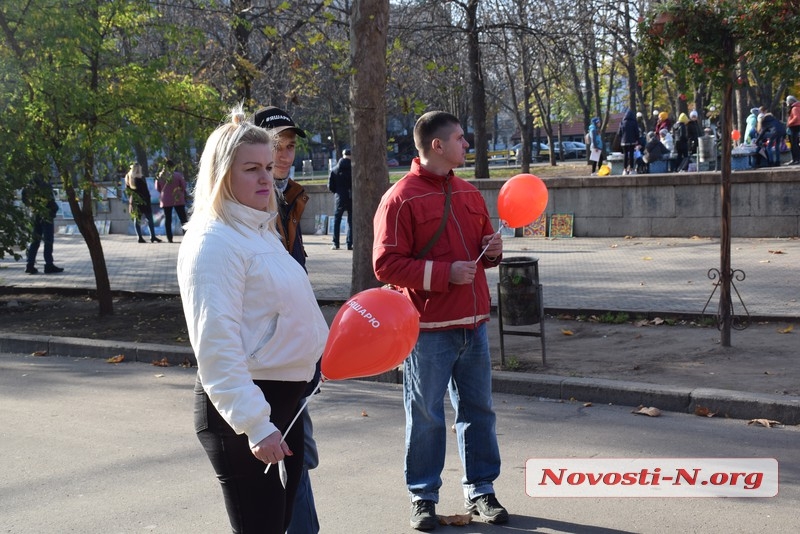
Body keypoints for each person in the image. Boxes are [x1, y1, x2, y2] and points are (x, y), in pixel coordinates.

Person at [177, 106, 329, 534]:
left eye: (268, 165)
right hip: (243, 412)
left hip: (283, 401)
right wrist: (255, 425)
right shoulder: (213, 241)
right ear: (222, 174)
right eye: (251, 169)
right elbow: (216, 346)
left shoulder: (258, 230)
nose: (266, 178)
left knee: (280, 523)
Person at [373, 111, 507, 531]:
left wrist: (494, 249)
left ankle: (481, 490)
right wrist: (442, 274)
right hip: (427, 329)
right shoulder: (399, 198)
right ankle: (423, 497)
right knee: (426, 414)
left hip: (474, 325)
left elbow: (486, 254)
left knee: (478, 411)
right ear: (437, 145)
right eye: (460, 139)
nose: (466, 144)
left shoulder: (469, 193)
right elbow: (385, 265)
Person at [254, 105, 321, 534]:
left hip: (291, 345)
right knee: (289, 452)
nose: (285, 154)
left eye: (290, 146)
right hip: (266, 351)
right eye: (277, 145)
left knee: (299, 452)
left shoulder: (290, 196)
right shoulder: (252, 200)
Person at [22, 175, 63, 274]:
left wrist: (33, 206)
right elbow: (49, 199)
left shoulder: (31, 181)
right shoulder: (43, 181)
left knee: (35, 240)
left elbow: (24, 197)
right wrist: (52, 209)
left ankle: (30, 265)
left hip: (36, 213)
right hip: (46, 214)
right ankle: (49, 265)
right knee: (48, 241)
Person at [125, 162, 161, 243]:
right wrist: (148, 199)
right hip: (144, 201)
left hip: (135, 201)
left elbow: (128, 191)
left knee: (137, 219)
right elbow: (145, 191)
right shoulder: (141, 177)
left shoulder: (128, 177)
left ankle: (140, 237)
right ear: (138, 169)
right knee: (149, 219)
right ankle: (152, 236)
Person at [155, 159, 188, 243]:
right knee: (183, 218)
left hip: (165, 199)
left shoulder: (160, 176)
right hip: (178, 199)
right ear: (173, 167)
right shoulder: (178, 175)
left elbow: (157, 188)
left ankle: (169, 238)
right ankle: (186, 236)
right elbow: (184, 186)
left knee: (168, 219)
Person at [327, 148, 353, 250]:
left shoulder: (334, 169)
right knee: (351, 221)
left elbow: (330, 186)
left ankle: (336, 243)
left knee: (337, 220)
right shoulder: (353, 169)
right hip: (351, 197)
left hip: (339, 197)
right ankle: (349, 243)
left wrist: (337, 192)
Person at [618, 109, 640, 175]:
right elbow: (637, 132)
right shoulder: (634, 122)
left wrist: (621, 138)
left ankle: (624, 170)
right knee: (631, 155)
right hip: (632, 141)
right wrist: (637, 139)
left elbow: (619, 133)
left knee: (625, 155)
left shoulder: (622, 122)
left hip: (624, 142)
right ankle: (631, 169)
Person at [785, 96, 800, 165]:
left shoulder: (794, 108)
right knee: (795, 143)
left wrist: (789, 123)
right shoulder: (798, 107)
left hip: (794, 127)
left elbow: (796, 117)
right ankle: (796, 159)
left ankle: (795, 159)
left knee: (794, 144)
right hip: (796, 127)